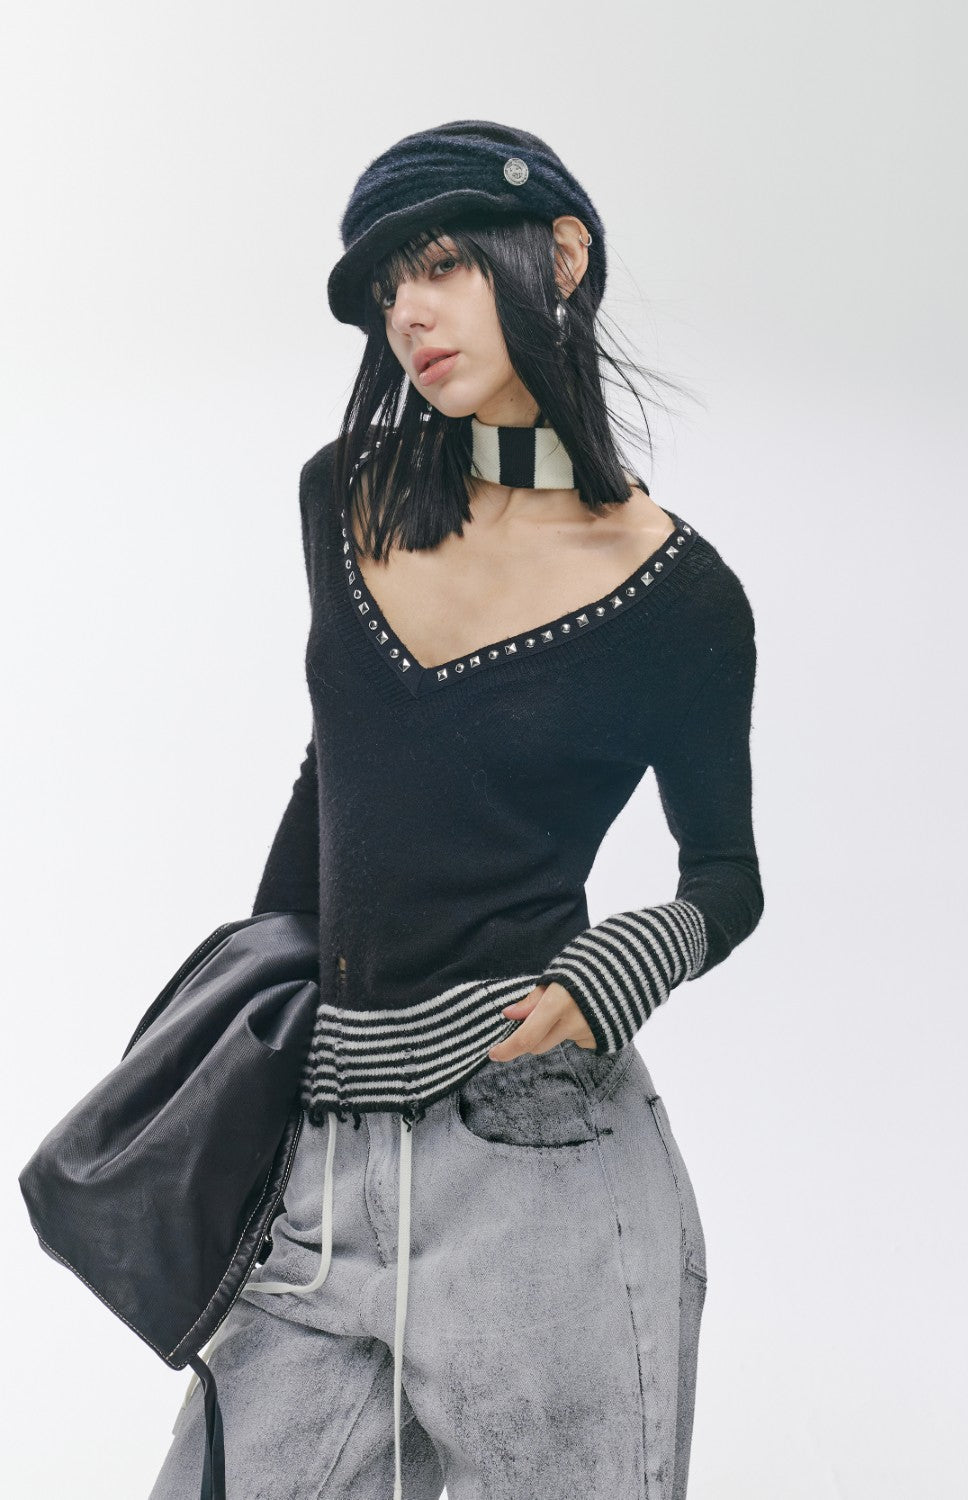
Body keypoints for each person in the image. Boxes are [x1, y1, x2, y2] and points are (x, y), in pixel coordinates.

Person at [149, 119, 764, 1500]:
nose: (410, 315)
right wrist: (249, 1022)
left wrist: (614, 969)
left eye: (439, 265)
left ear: (560, 255)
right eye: (387, 291)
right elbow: (337, 771)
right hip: (324, 1174)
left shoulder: (682, 600)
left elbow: (727, 876)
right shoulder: (345, 499)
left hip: (538, 1156)